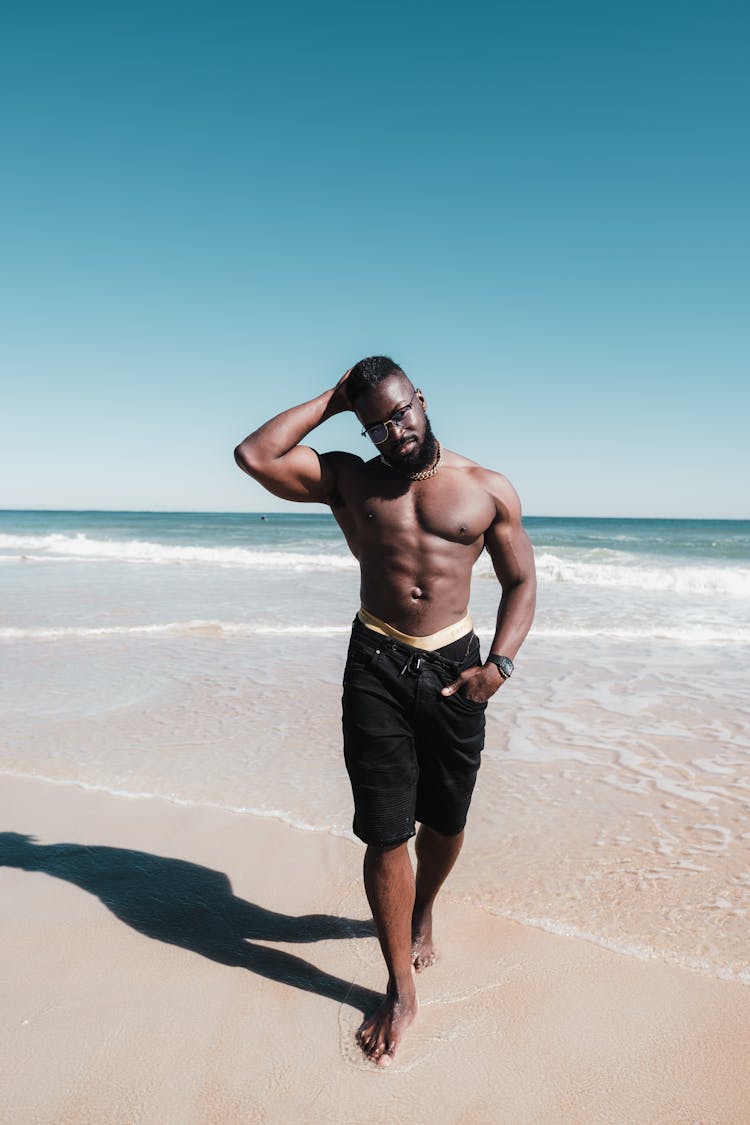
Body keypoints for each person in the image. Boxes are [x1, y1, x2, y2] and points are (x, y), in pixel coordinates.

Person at [234, 356, 536, 1066]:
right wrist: (337, 400)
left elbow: (521, 580)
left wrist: (500, 665)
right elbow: (254, 455)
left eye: (402, 413)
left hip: (457, 669)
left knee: (448, 819)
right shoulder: (349, 478)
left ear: (422, 400)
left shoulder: (485, 487)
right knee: (385, 828)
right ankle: (399, 986)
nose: (395, 431)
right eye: (377, 422)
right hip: (375, 661)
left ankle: (425, 906)